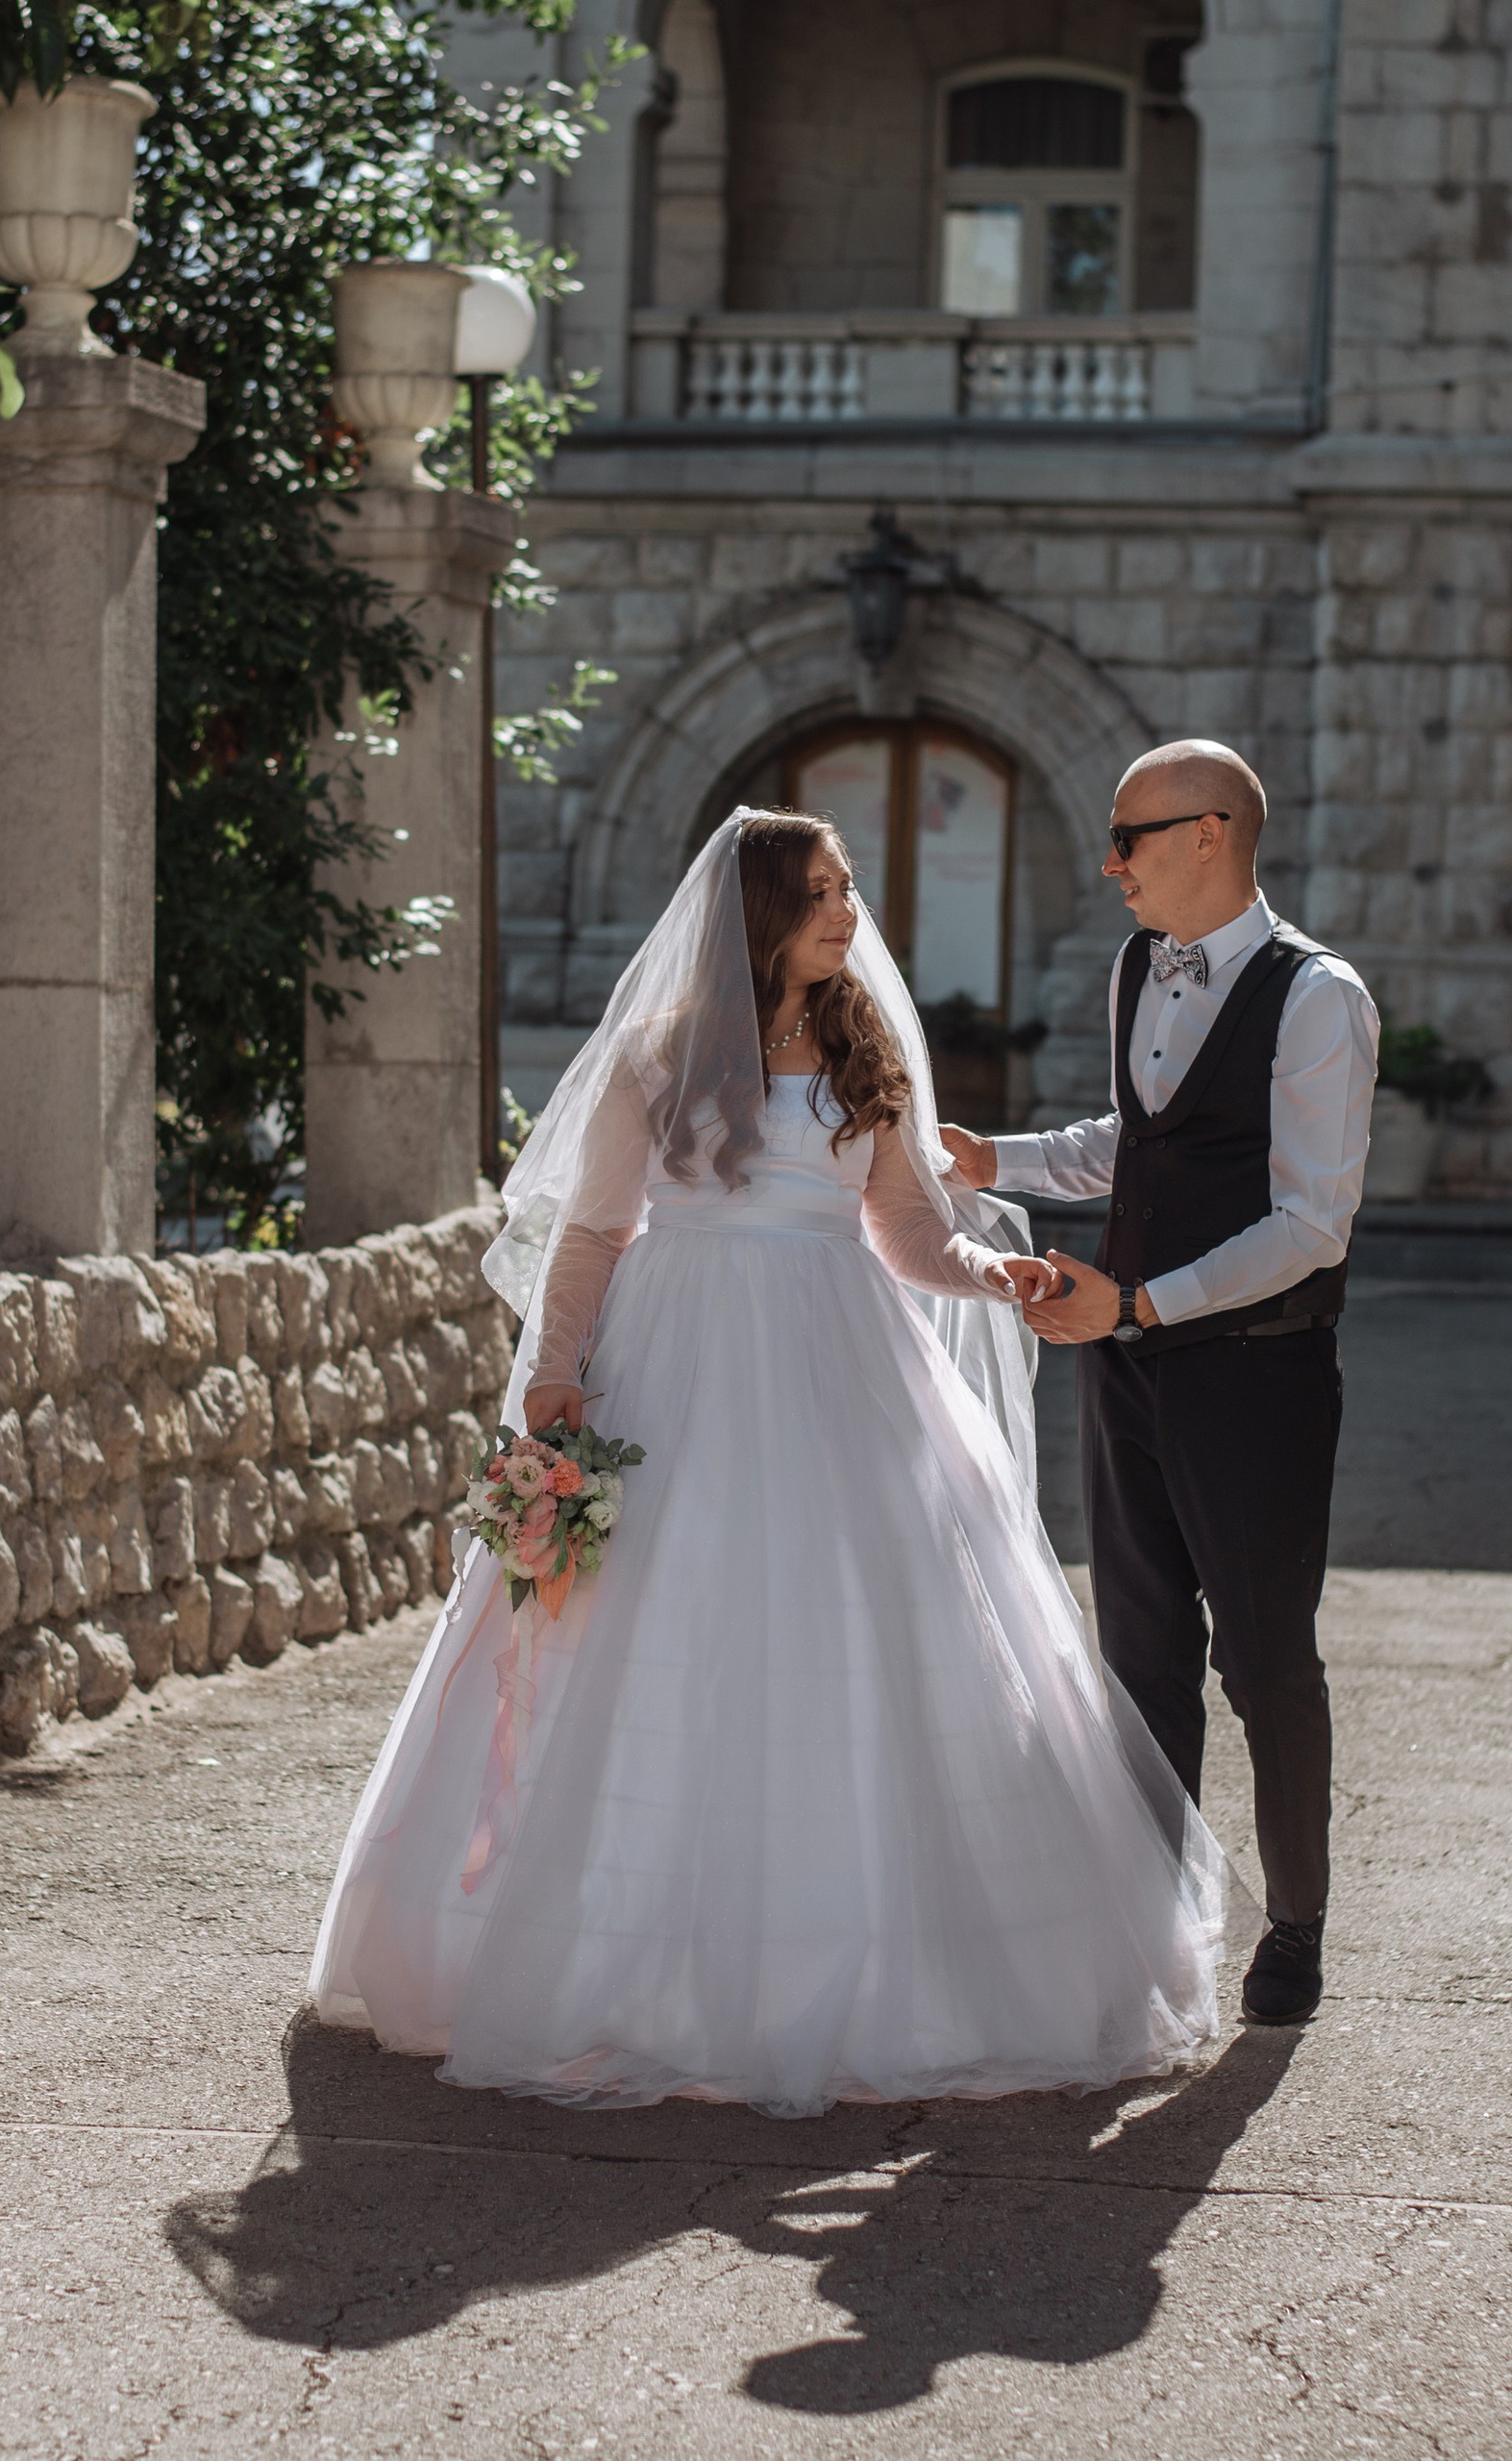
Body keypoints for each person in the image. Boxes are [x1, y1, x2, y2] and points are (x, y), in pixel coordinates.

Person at [310, 811, 1241, 2117]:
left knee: (852, 1631)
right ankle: (624, 1966)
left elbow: (912, 1235)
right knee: (661, 1630)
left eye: (850, 889)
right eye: (819, 893)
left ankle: (862, 1961)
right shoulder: (657, 1063)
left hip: (840, 1365)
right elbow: (590, 1238)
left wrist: (998, 1273)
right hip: (673, 1364)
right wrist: (555, 1383)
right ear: (758, 913)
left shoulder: (868, 1058)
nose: (847, 913)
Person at [940, 740, 1378, 2030]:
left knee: (1262, 1661)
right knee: (1137, 1659)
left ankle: (1294, 1921)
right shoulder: (1141, 965)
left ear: (1212, 835)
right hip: (1126, 1368)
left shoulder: (1318, 999)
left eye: (1132, 835)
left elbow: (1310, 1226)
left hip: (1255, 1375)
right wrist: (996, 1157)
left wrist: (1135, 1300)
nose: (1111, 859)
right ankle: (1152, 1929)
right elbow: (1132, 1146)